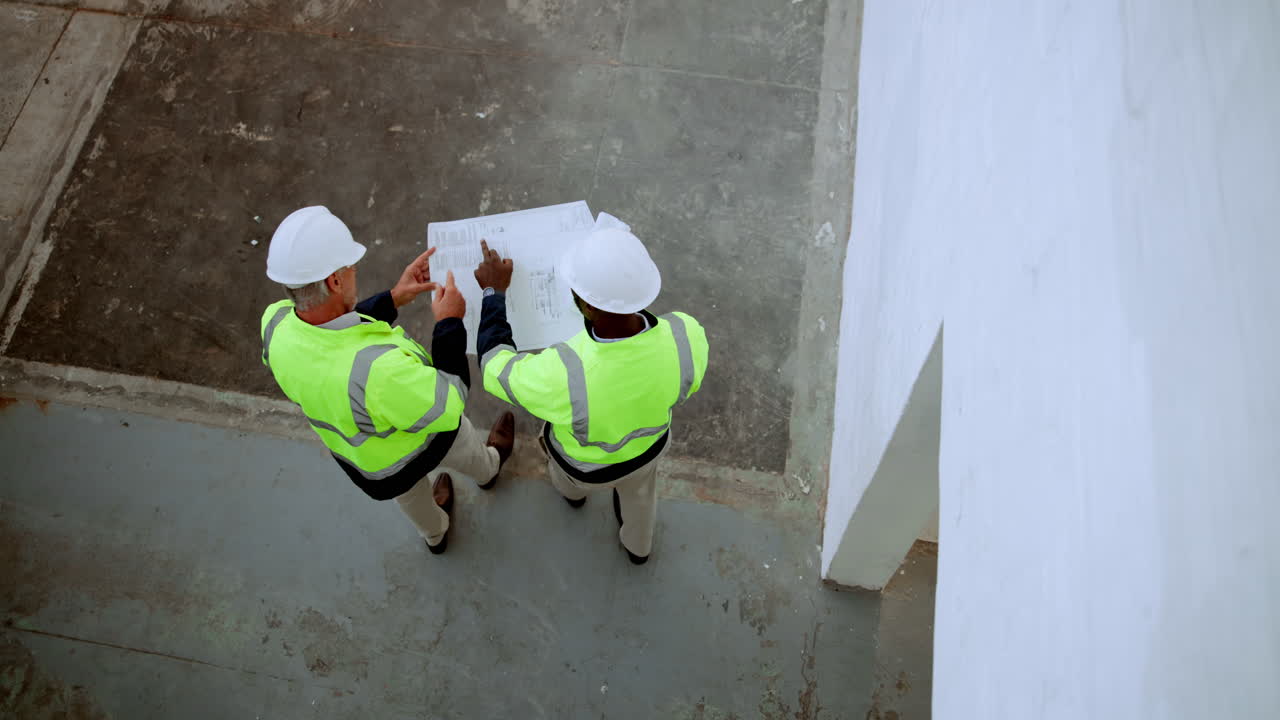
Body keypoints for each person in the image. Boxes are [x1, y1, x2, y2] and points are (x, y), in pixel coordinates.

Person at [259, 206, 514, 555]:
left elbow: (330, 330)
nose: (354, 272)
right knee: (466, 447)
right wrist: (449, 322)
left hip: (375, 467)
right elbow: (450, 400)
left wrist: (393, 298)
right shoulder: (376, 371)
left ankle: (435, 534)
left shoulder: (274, 323)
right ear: (334, 281)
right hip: (428, 439)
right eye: (350, 268)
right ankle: (489, 471)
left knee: (411, 498)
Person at [473, 229, 708, 564]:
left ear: (584, 304)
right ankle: (638, 549)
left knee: (568, 483)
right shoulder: (686, 334)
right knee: (641, 500)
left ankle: (574, 499)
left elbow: (495, 368)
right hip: (648, 451)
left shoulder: (562, 373)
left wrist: (493, 293)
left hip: (583, 467)